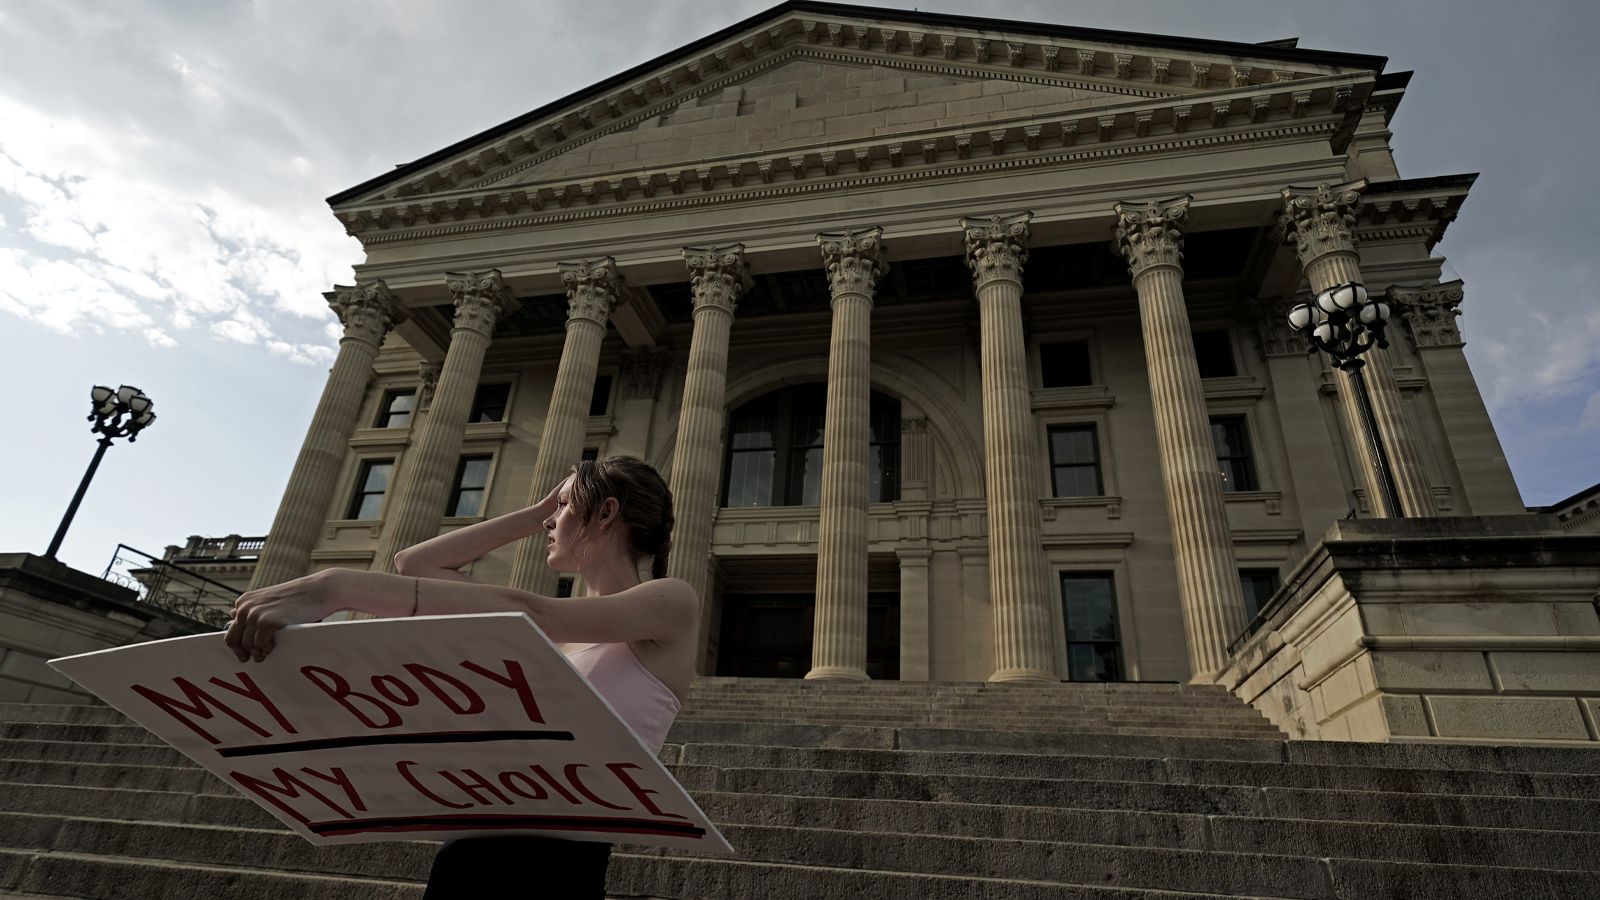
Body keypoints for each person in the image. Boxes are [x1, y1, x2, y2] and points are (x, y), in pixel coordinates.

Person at [225, 455, 697, 899]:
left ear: (607, 511)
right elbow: (415, 565)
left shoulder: (670, 602)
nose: (552, 523)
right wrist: (535, 513)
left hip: (560, 863)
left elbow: (534, 611)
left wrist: (335, 586)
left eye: (564, 506)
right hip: (472, 850)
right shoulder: (551, 630)